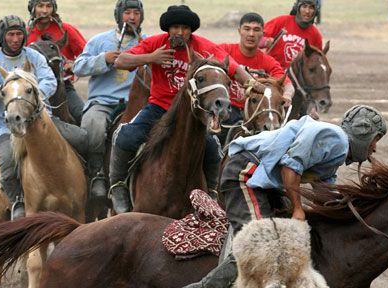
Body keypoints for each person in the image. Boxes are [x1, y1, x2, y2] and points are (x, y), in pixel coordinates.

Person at [182, 105, 387, 288]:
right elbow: (290, 166)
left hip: (263, 184)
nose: (375, 148)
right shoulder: (336, 139)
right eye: (375, 139)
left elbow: (326, 192)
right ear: (363, 133)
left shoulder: (335, 151)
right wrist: (298, 209)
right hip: (245, 174)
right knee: (260, 241)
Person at [109, 5, 266, 214]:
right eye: (175, 27)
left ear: (191, 30)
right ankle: (118, 187)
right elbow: (120, 60)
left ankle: (211, 193)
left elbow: (234, 68)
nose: (180, 32)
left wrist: (255, 85)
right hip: (159, 107)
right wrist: (151, 58)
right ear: (168, 29)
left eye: (185, 28)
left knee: (212, 148)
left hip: (191, 111)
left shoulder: (203, 47)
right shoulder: (156, 43)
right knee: (126, 136)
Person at [0, 15, 87, 220]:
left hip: (43, 121)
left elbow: (50, 82)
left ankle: (91, 183)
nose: (15, 38)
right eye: (10, 34)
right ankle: (17, 200)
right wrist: (7, 90)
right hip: (7, 128)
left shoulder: (35, 57)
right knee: (7, 161)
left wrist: (30, 92)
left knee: (82, 138)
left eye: (18, 34)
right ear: (2, 37)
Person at [73, 0, 145, 201]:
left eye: (136, 13)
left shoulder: (147, 42)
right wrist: (103, 59)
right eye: (127, 13)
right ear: (119, 15)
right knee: (92, 125)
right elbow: (78, 67)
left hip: (137, 105)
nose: (132, 18)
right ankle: (97, 174)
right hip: (103, 102)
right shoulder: (99, 41)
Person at [217, 12, 294, 142]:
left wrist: (287, 95)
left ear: (263, 34)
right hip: (228, 110)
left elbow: (287, 84)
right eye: (247, 29)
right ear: (239, 31)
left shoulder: (268, 61)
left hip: (257, 112)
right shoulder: (224, 50)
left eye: (256, 30)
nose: (251, 34)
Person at [26, 0, 87, 124]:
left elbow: (87, 54)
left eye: (49, 6)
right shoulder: (25, 34)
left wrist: (74, 64)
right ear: (32, 8)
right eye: (40, 6)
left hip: (63, 86)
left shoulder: (66, 30)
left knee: (83, 116)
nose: (44, 11)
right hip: (32, 88)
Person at [261, 0, 323, 69]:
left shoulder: (316, 35)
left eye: (311, 8)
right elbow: (256, 38)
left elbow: (317, 63)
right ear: (297, 8)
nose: (307, 11)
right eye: (304, 6)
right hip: (271, 72)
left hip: (297, 78)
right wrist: (265, 42)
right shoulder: (281, 21)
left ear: (316, 11)